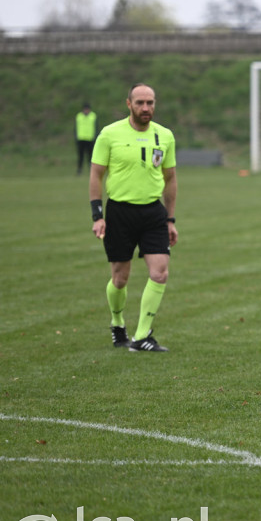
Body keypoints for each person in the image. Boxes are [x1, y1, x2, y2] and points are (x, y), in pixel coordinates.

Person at [89, 83, 178, 352]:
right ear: (129, 104)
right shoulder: (110, 134)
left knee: (160, 272)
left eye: (150, 102)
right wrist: (98, 215)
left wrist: (170, 220)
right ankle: (118, 323)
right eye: (140, 103)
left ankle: (141, 337)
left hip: (153, 213)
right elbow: (96, 175)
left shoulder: (165, 136)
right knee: (120, 278)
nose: (145, 108)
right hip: (120, 213)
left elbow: (170, 179)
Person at [75, 101, 97, 176]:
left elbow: (96, 127)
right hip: (81, 138)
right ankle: (79, 169)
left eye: (87, 109)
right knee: (80, 156)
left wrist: (95, 137)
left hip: (90, 139)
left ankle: (91, 170)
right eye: (85, 109)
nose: (86, 111)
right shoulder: (79, 116)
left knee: (90, 156)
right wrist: (76, 137)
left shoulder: (93, 116)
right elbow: (75, 128)